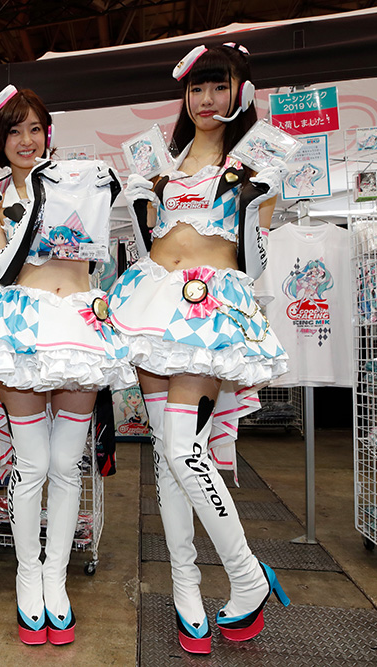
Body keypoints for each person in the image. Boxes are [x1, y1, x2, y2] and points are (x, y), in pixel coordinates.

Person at [108, 43, 291, 654]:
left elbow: (254, 263)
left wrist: (254, 203)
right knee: (166, 455)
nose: (206, 100)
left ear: (242, 92)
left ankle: (246, 575)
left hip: (207, 309)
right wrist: (138, 204)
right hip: (152, 303)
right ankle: (184, 587)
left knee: (186, 452)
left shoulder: (255, 163)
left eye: (218, 87)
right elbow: (146, 245)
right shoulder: (163, 163)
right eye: (196, 88)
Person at [0, 84, 135, 646]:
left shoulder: (81, 184)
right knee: (32, 464)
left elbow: (98, 253)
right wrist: (35, 204)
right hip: (24, 330)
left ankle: (56, 579)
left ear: (48, 134)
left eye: (35, 128)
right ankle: (27, 577)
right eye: (15, 130)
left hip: (78, 327)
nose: (27, 140)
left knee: (65, 465)